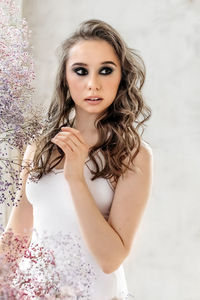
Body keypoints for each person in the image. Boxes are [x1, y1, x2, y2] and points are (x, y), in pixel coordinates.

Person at [0, 19, 153, 299]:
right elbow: (17, 233)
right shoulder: (40, 147)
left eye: (105, 71)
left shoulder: (134, 154)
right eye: (81, 71)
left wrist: (75, 178)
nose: (93, 84)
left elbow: (110, 260)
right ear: (66, 79)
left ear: (122, 77)